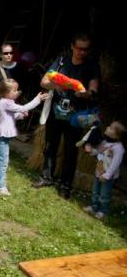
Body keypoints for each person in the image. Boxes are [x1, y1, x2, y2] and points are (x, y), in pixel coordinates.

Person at [32, 32, 101, 199]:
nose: (82, 52)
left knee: (71, 151)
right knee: (50, 146)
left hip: (76, 116)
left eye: (85, 49)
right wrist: (57, 85)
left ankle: (65, 185)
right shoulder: (61, 61)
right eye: (79, 48)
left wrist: (86, 93)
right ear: (72, 46)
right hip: (56, 111)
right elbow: (44, 81)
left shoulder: (92, 65)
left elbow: (94, 88)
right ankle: (46, 177)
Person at [0, 79, 49, 195]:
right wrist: (37, 99)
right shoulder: (5, 102)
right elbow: (23, 108)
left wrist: (21, 115)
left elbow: (11, 116)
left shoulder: (7, 102)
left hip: (3, 135)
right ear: (6, 93)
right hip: (2, 135)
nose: (17, 92)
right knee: (4, 161)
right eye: (15, 90)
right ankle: (0, 186)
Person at [0, 44, 27, 151]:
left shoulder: (19, 68)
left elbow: (24, 85)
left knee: (7, 122)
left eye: (11, 53)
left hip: (11, 101)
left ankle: (3, 145)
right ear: (0, 55)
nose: (9, 55)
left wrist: (16, 95)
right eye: (6, 53)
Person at [82, 121, 125, 220]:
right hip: (99, 171)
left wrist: (107, 175)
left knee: (104, 194)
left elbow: (115, 164)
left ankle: (103, 211)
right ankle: (94, 207)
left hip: (108, 176)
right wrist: (91, 151)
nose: (107, 127)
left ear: (117, 135)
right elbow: (98, 152)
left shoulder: (119, 149)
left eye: (111, 128)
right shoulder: (104, 142)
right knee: (95, 191)